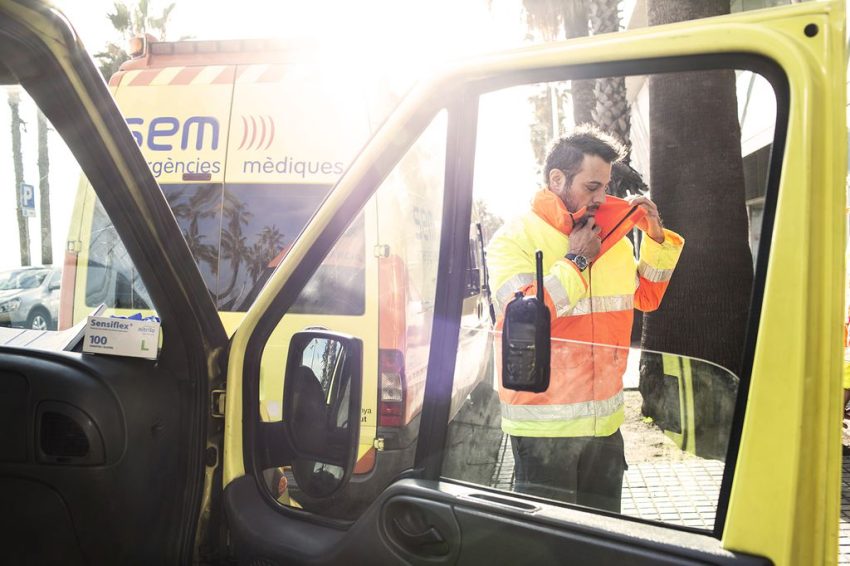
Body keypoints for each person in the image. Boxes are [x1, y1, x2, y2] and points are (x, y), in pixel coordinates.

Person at [486, 126, 685, 512]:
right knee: (549, 552)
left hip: (605, 427)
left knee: (603, 545)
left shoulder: (612, 238)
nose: (601, 198)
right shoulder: (514, 239)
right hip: (543, 432)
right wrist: (576, 261)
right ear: (556, 179)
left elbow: (646, 297)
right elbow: (522, 320)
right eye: (592, 186)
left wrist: (656, 238)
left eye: (606, 187)